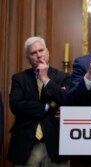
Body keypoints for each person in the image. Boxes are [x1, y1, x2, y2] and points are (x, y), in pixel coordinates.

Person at [8, 36, 70, 167]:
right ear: (28, 58)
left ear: (47, 52)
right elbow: (16, 105)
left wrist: (45, 78)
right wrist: (48, 106)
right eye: (33, 53)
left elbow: (65, 100)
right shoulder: (19, 78)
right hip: (26, 144)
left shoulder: (64, 78)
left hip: (56, 143)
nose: (38, 55)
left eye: (41, 51)